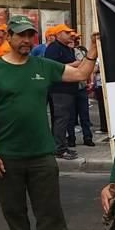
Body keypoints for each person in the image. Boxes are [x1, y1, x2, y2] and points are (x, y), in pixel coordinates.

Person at [0, 15, 98, 230]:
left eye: (30, 35)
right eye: (21, 35)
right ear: (8, 37)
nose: (26, 40)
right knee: (15, 214)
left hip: (41, 155)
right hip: (7, 156)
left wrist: (92, 49)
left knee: (51, 214)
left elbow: (80, 74)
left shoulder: (43, 66)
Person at [44, 24, 80, 160]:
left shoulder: (66, 48)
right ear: (58, 34)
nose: (70, 35)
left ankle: (60, 146)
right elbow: (50, 67)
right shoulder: (54, 48)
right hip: (59, 90)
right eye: (66, 32)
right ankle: (59, 149)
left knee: (63, 119)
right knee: (60, 119)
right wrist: (74, 64)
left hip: (68, 89)